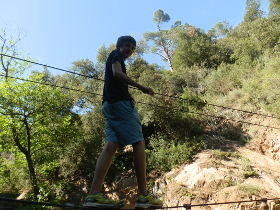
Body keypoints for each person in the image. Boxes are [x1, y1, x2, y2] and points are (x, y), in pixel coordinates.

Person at [83, 36, 163, 208]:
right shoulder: (115, 55)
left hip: (108, 106)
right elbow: (117, 74)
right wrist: (142, 88)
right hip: (120, 105)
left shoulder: (115, 56)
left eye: (133, 47)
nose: (130, 49)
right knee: (138, 142)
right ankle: (143, 195)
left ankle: (93, 195)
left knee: (111, 145)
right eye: (127, 45)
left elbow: (115, 78)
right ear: (119, 46)